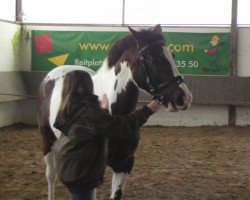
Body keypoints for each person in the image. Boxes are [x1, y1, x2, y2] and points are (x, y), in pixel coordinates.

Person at [52, 70, 160, 200]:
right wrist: (146, 111)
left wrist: (102, 110)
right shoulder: (89, 112)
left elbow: (92, 126)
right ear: (84, 87)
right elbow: (119, 127)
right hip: (80, 173)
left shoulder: (69, 107)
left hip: (70, 167)